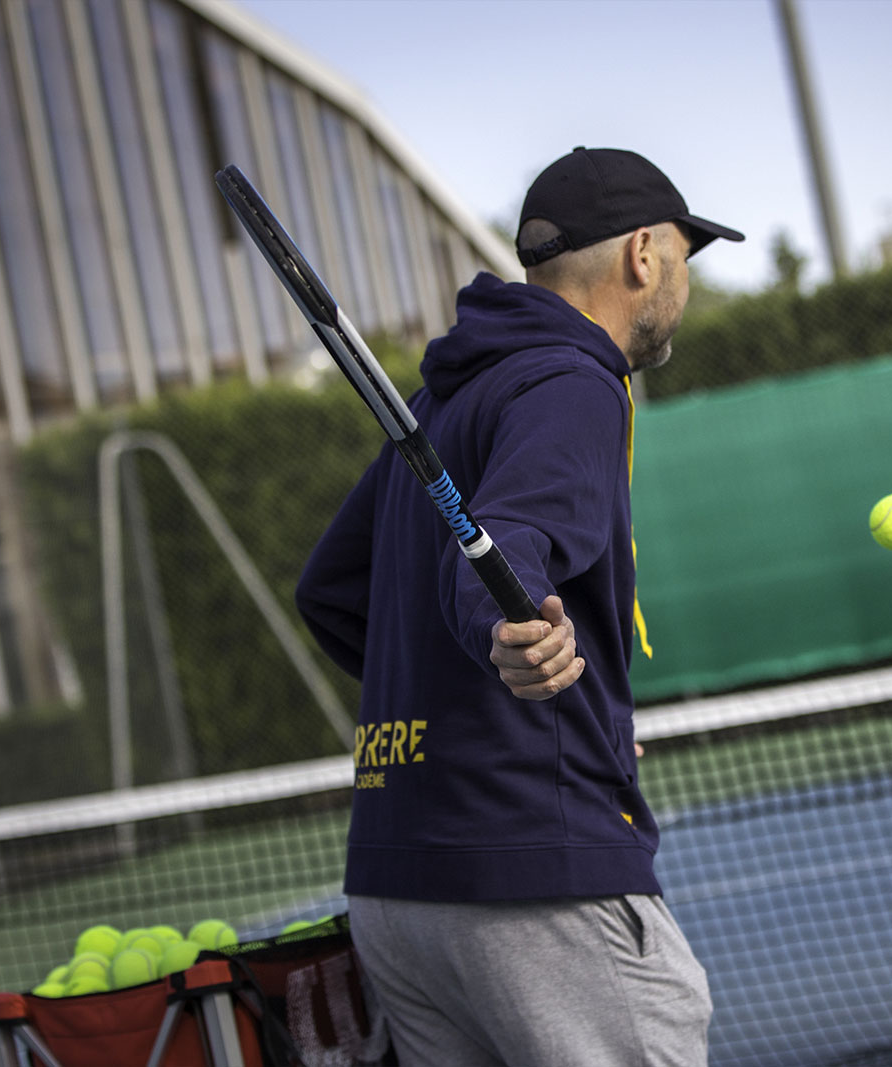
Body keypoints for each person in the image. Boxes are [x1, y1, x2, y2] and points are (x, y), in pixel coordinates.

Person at [295, 147, 742, 1066]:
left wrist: (491, 686)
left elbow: (331, 591)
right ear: (645, 255)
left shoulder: (443, 398)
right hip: (532, 875)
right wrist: (506, 639)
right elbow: (507, 545)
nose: (684, 285)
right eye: (687, 260)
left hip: (398, 892)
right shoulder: (579, 382)